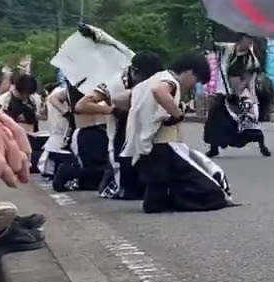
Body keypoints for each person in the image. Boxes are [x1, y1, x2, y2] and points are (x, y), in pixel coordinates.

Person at [125, 53, 231, 213]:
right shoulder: (169, 81)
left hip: (145, 147)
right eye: (196, 80)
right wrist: (177, 114)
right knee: (213, 193)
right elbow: (159, 91)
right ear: (190, 72)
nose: (193, 85)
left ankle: (158, 204)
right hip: (165, 145)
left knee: (157, 188)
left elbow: (121, 99)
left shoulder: (144, 84)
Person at [98, 52, 165, 200]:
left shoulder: (158, 83)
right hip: (119, 136)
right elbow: (83, 105)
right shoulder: (116, 83)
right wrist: (113, 110)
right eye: (145, 78)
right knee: (128, 192)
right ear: (134, 72)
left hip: (142, 136)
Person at [204, 36, 271, 158]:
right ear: (241, 39)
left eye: (251, 41)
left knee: (241, 120)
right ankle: (214, 147)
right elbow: (214, 48)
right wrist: (211, 40)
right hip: (222, 89)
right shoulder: (228, 49)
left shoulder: (250, 58)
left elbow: (249, 76)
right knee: (214, 117)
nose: (249, 43)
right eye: (247, 40)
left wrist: (239, 88)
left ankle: (260, 143)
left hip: (239, 91)